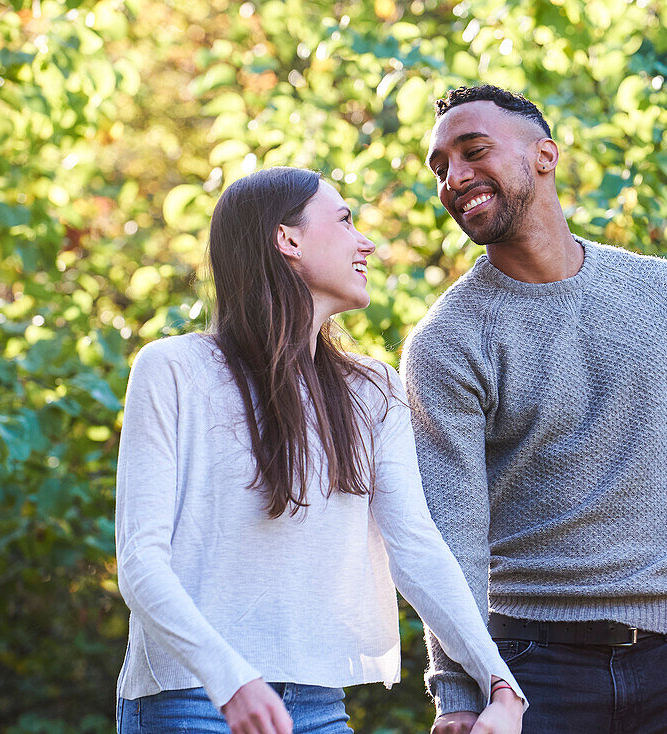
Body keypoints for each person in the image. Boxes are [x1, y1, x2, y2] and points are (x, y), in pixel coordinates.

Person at [400, 85, 667, 734]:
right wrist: (461, 695)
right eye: (440, 167)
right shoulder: (447, 342)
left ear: (545, 156)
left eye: (473, 152)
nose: (454, 177)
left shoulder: (661, 291)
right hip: (530, 668)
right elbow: (453, 540)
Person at [114, 166, 526, 734]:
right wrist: (229, 679)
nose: (367, 242)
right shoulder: (173, 370)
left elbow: (419, 551)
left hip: (316, 707)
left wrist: (499, 681)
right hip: (189, 700)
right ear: (289, 240)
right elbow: (139, 563)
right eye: (345, 220)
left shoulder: (373, 390)